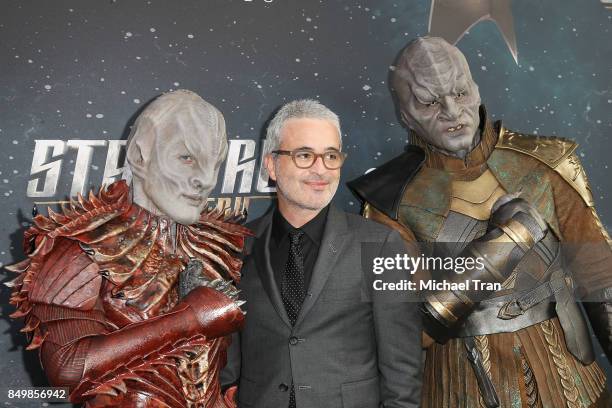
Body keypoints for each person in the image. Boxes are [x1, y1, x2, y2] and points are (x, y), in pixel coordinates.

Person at [348, 36, 612, 407]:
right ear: (405, 115)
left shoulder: (545, 165)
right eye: (429, 101)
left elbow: (602, 283)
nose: (452, 112)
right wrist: (507, 244)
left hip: (576, 386)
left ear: (476, 90)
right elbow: (404, 332)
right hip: (455, 390)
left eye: (460, 93)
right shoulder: (387, 202)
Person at [6, 89, 251, 407]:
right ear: (139, 154)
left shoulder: (219, 245)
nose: (204, 179)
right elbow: (67, 367)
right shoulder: (81, 244)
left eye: (214, 163)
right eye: (187, 158)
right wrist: (187, 322)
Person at [221, 99, 422, 408]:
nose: (321, 169)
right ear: (271, 165)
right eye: (304, 155)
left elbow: (403, 371)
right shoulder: (237, 246)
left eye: (331, 156)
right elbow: (229, 355)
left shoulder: (381, 245)